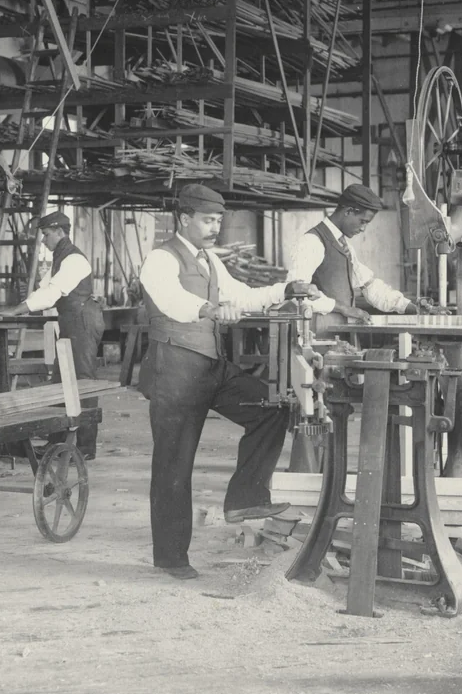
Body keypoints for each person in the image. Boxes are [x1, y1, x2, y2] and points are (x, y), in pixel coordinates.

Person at [138, 183, 321, 580]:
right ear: (183, 219)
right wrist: (208, 308)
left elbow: (241, 294)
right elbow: (169, 299)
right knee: (173, 466)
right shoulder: (160, 258)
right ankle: (171, 557)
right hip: (174, 369)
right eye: (207, 220)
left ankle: (246, 497)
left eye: (218, 220)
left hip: (210, 365)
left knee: (272, 407)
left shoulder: (210, 261)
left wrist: (284, 290)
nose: (214, 227)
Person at [0, 210, 105, 459]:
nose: (43, 240)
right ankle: (56, 443)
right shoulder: (60, 257)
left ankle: (86, 448)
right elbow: (43, 290)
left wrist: (16, 310)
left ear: (60, 232)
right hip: (70, 321)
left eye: (46, 235)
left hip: (82, 321)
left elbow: (50, 295)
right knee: (61, 382)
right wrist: (22, 304)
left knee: (83, 383)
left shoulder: (74, 260)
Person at [288, 182, 419, 329]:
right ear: (349, 211)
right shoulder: (312, 242)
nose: (363, 229)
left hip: (339, 336)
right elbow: (296, 293)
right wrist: (344, 309)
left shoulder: (344, 246)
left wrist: (410, 307)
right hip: (316, 337)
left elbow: (370, 286)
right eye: (362, 221)